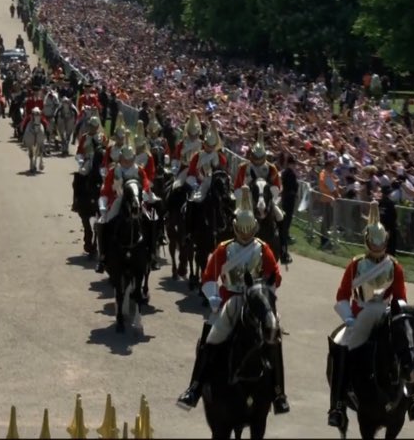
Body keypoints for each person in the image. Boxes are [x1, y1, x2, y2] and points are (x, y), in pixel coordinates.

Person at [176, 185, 288, 414]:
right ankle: (194, 388)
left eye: (249, 230)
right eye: (241, 229)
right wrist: (214, 298)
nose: (245, 234)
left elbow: (275, 277)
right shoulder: (223, 249)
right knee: (209, 338)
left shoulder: (263, 249)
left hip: (255, 301)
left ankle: (278, 392)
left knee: (274, 338)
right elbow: (208, 278)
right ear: (235, 227)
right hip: (229, 300)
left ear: (255, 228)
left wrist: (264, 294)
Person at [328, 201, 414, 427]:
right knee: (341, 348)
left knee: (410, 344)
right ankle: (338, 405)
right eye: (374, 242)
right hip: (360, 315)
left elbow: (400, 296)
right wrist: (349, 319)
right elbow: (342, 295)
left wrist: (401, 314)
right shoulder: (355, 265)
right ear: (367, 241)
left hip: (386, 313)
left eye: (381, 242)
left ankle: (413, 399)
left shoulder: (395, 266)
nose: (378, 247)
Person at [97, 130, 151, 272]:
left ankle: (151, 253)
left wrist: (144, 192)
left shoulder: (138, 170)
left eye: (130, 160)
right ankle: (103, 256)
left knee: (150, 219)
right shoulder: (114, 171)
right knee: (104, 222)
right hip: (117, 199)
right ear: (120, 159)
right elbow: (107, 187)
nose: (127, 163)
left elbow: (145, 182)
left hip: (136, 199)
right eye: (125, 160)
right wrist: (105, 198)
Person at [185, 123, 228, 201]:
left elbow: (223, 171)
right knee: (195, 198)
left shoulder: (220, 157)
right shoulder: (198, 155)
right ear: (204, 144)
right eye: (208, 145)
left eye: (212, 146)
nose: (210, 148)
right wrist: (201, 180)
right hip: (199, 181)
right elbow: (192, 170)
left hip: (215, 182)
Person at [318, 152, 341, 250]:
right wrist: (338, 196)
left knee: (326, 222)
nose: (333, 167)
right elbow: (332, 189)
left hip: (327, 200)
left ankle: (325, 240)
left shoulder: (324, 173)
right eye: (332, 165)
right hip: (328, 201)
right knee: (327, 222)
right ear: (328, 165)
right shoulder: (326, 175)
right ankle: (325, 241)